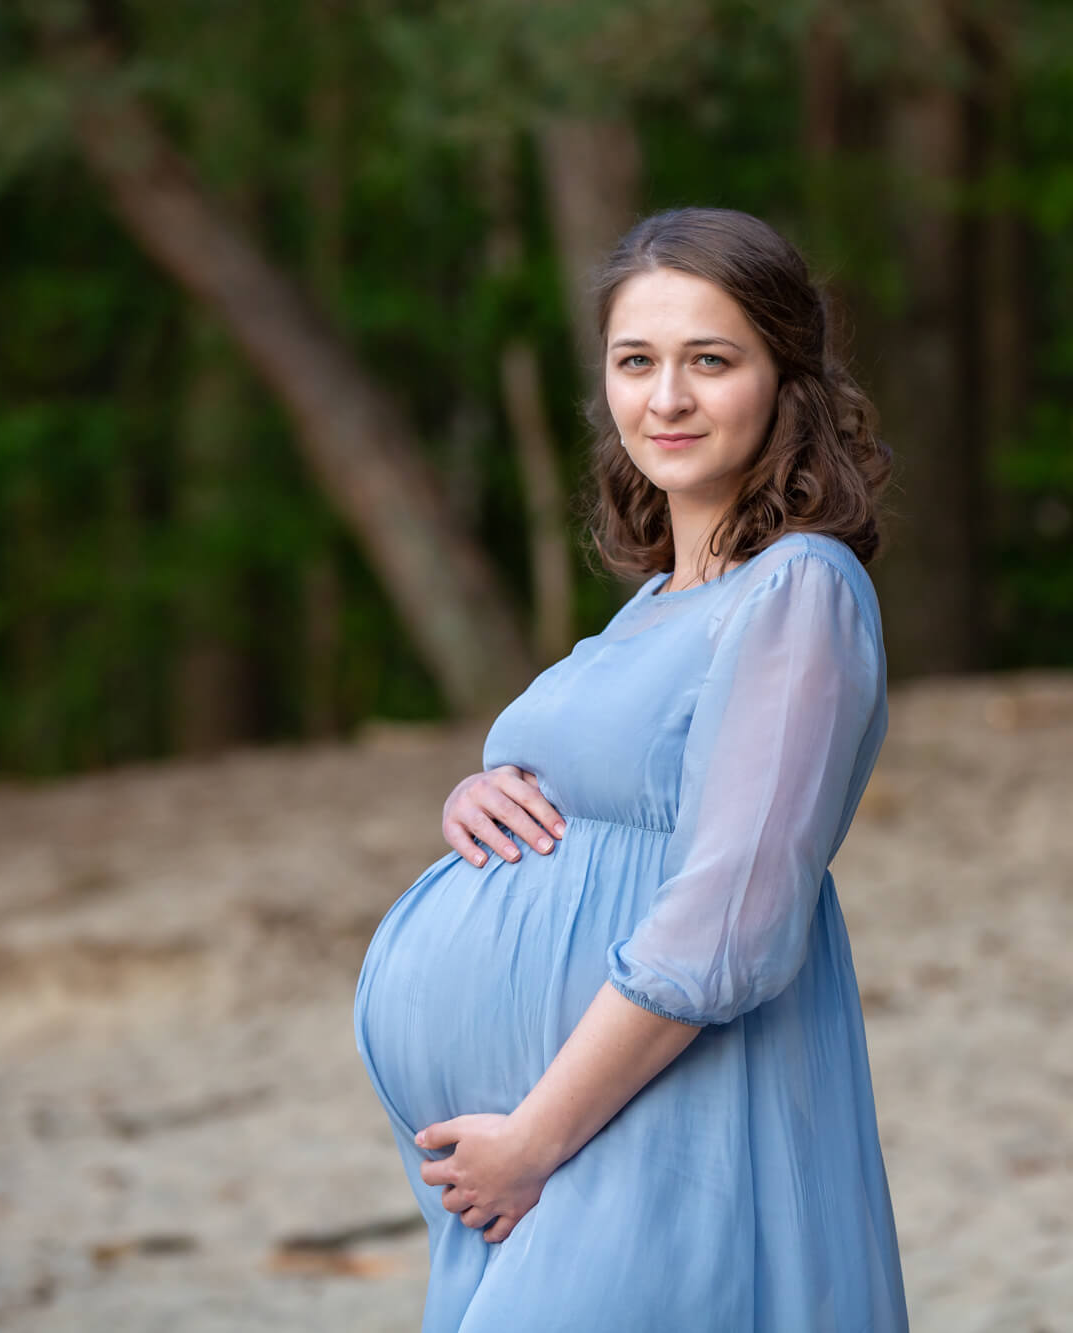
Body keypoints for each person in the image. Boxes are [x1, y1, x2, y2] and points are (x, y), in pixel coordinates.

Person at [352, 206, 908, 1331]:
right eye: (635, 361)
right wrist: (481, 796)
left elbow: (729, 916)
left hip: (662, 1124)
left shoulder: (797, 587)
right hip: (574, 1138)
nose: (667, 398)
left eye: (711, 360)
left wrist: (535, 1137)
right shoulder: (658, 603)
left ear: (785, 380)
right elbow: (608, 784)